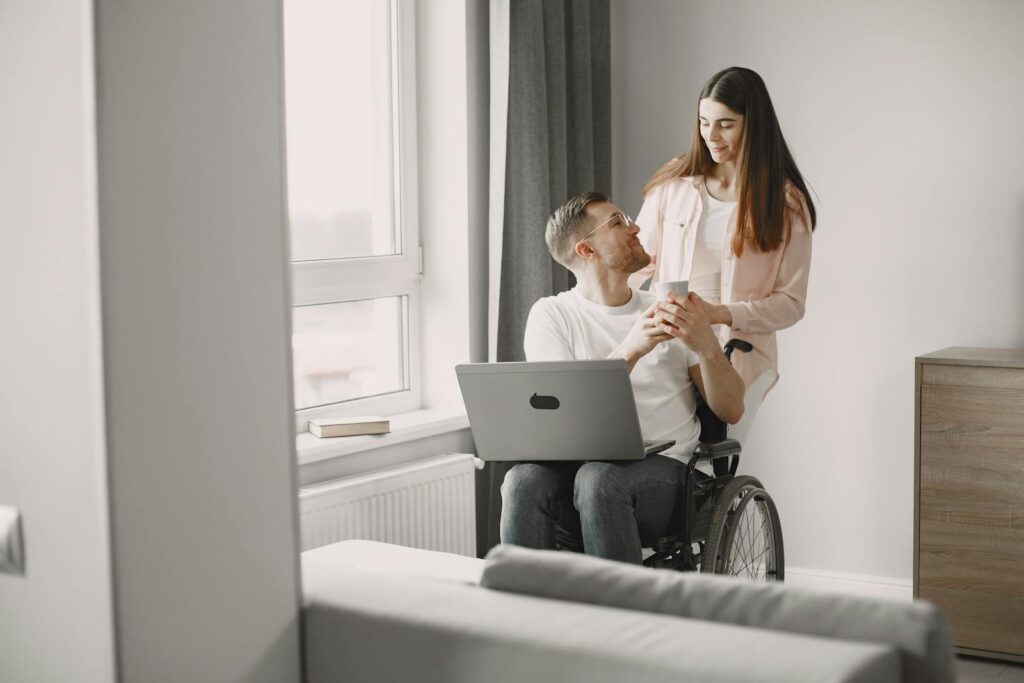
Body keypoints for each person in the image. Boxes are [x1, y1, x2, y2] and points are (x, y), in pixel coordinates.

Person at [500, 191, 745, 564]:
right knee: (522, 482)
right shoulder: (552, 316)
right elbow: (566, 414)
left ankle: (622, 618)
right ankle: (521, 616)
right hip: (582, 473)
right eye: (617, 223)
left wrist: (708, 344)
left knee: (599, 479)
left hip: (670, 476)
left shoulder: (669, 309)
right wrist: (633, 347)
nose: (635, 228)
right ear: (586, 250)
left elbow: (731, 409)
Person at [628, 66, 816, 389]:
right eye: (704, 123)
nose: (710, 136)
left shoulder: (786, 203)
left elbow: (790, 304)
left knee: (723, 439)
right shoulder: (675, 184)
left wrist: (721, 314)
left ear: (753, 126)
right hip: (668, 357)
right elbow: (636, 265)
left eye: (725, 124)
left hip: (739, 362)